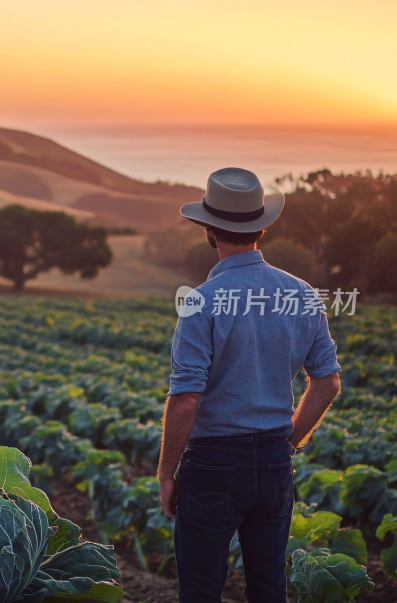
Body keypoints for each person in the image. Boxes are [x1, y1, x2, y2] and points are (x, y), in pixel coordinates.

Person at [157, 167, 341, 602]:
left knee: (201, 589)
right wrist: (288, 443)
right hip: (276, 461)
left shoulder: (200, 302)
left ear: (208, 228)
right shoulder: (302, 294)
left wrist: (166, 473)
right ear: (261, 227)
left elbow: (185, 401)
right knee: (268, 586)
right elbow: (328, 382)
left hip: (213, 465)